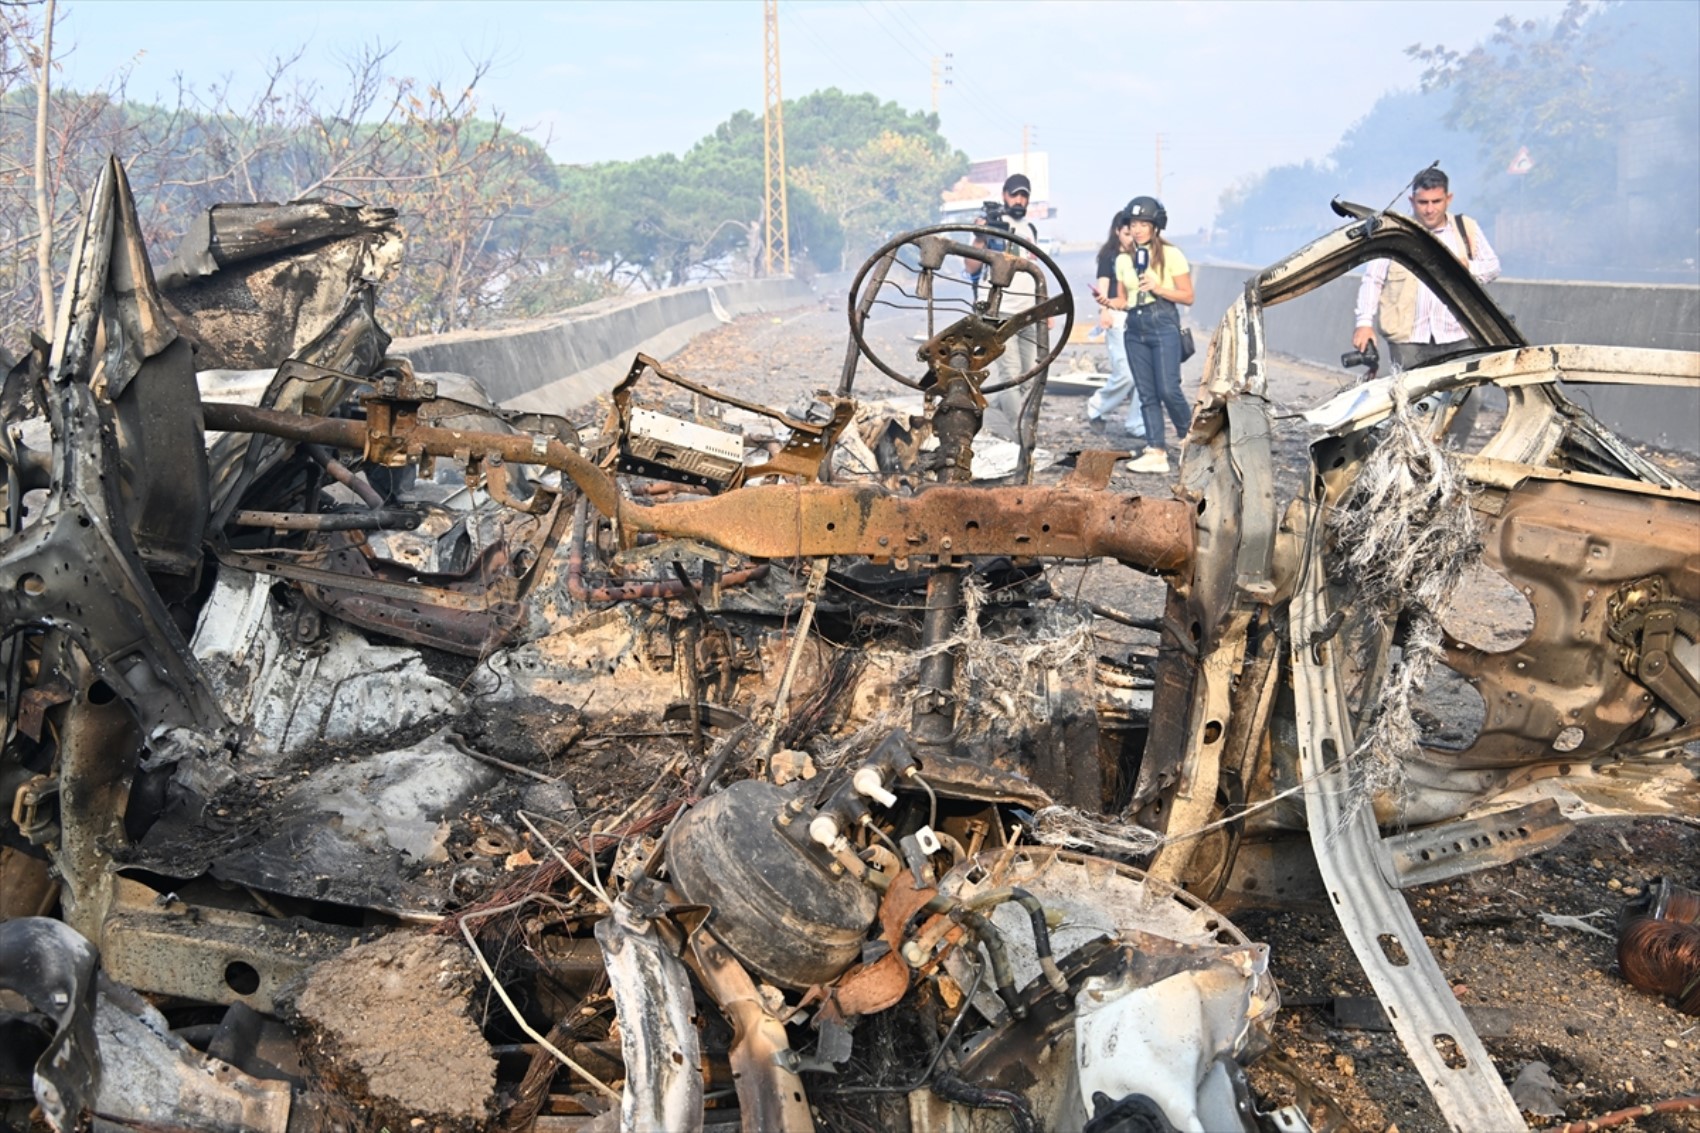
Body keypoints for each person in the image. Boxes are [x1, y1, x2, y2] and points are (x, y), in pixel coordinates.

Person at [1352, 166, 1501, 372]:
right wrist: (1364, 323)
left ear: (1448, 199)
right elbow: (1373, 280)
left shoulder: (1466, 229)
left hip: (1459, 335)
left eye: (1436, 202)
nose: (1430, 209)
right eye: (1423, 202)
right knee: (1411, 400)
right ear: (1412, 202)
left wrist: (1468, 268)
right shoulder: (1393, 233)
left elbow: (1492, 267)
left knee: (1466, 401)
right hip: (1408, 340)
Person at [1095, 195, 1192, 474]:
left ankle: (1192, 441)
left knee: (1168, 389)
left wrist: (1158, 287)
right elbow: (1125, 299)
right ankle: (1156, 450)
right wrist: (1110, 303)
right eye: (1132, 223)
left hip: (1163, 322)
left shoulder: (1171, 255)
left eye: (1143, 223)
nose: (1136, 229)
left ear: (1156, 225)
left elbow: (1188, 296)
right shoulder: (1123, 260)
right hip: (1134, 327)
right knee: (1147, 393)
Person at [968, 173, 1043, 432]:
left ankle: (988, 408)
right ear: (1004, 196)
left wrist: (1044, 307)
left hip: (1029, 312)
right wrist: (979, 237)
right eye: (1015, 195)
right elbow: (971, 266)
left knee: (1028, 376)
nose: (1020, 200)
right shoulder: (992, 224)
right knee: (1010, 375)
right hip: (999, 312)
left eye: (1024, 195)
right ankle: (1018, 433)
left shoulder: (1030, 230)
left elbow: (1036, 271)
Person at [1083, 212, 1146, 442]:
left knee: (1143, 374)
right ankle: (1096, 406)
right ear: (1117, 231)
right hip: (1117, 317)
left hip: (1139, 318)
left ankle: (1136, 422)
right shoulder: (1109, 255)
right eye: (1127, 233)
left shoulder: (1142, 255)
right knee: (1126, 374)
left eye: (1135, 232)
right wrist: (1104, 311)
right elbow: (1103, 287)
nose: (1132, 237)